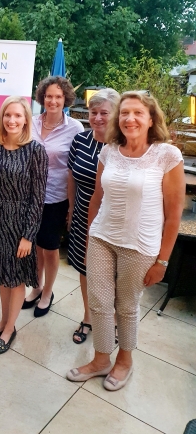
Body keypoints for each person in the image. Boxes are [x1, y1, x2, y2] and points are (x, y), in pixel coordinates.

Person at [67, 91, 185, 391]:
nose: (130, 118)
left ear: (150, 120)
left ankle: (125, 361)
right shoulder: (109, 151)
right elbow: (97, 197)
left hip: (140, 245)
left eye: (137, 113)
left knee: (126, 307)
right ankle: (101, 359)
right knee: (99, 302)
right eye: (124, 113)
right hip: (102, 239)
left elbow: (174, 215)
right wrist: (90, 232)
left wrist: (162, 261)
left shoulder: (167, 155)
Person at [0, 96, 48, 355]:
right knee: (1, 276)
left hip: (20, 224)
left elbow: (37, 197)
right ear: (1, 118)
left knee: (15, 278)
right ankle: (2, 321)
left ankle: (10, 328)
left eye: (18, 115)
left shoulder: (35, 151)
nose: (12, 120)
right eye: (8, 115)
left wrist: (29, 236)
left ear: (26, 120)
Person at [23, 76, 83, 317]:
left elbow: (76, 168)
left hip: (56, 197)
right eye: (49, 96)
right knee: (35, 245)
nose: (53, 100)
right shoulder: (32, 123)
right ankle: (36, 287)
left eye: (58, 96)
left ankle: (48, 292)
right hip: (29, 196)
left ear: (65, 99)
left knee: (50, 248)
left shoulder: (75, 128)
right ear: (42, 97)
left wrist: (72, 205)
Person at [67, 88, 120, 344]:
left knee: (115, 274)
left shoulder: (123, 146)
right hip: (81, 215)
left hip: (114, 221)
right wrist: (69, 209)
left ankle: (116, 320)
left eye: (104, 113)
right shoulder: (80, 139)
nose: (97, 118)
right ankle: (88, 316)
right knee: (85, 269)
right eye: (93, 112)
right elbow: (71, 178)